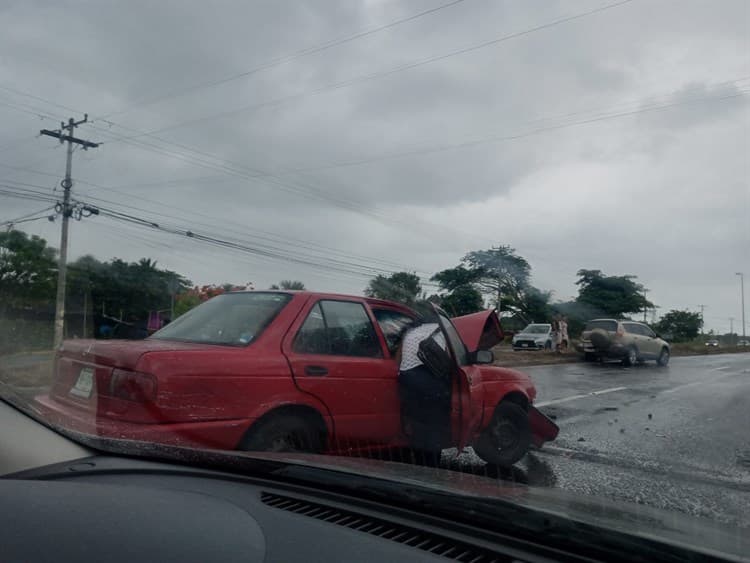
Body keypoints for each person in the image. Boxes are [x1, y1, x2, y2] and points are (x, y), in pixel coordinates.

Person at [394, 314, 451, 463]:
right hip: (429, 381)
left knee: (417, 425)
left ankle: (419, 463)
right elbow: (449, 359)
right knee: (434, 425)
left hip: (407, 378)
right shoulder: (441, 330)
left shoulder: (409, 332)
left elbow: (398, 361)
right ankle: (432, 465)